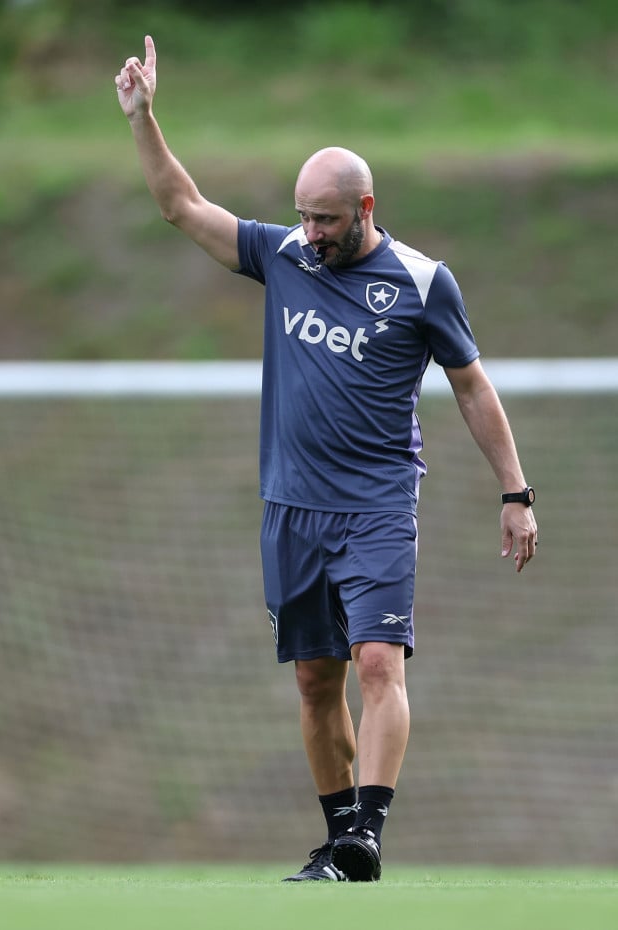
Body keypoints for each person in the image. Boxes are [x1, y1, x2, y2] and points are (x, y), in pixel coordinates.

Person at [115, 35, 538, 883]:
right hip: (290, 508)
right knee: (315, 682)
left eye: (325, 220)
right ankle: (337, 838)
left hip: (379, 504)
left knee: (378, 661)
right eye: (302, 215)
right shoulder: (283, 255)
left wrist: (515, 492)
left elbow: (471, 387)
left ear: (366, 208)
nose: (309, 233)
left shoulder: (421, 283)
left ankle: (368, 836)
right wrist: (143, 120)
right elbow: (181, 208)